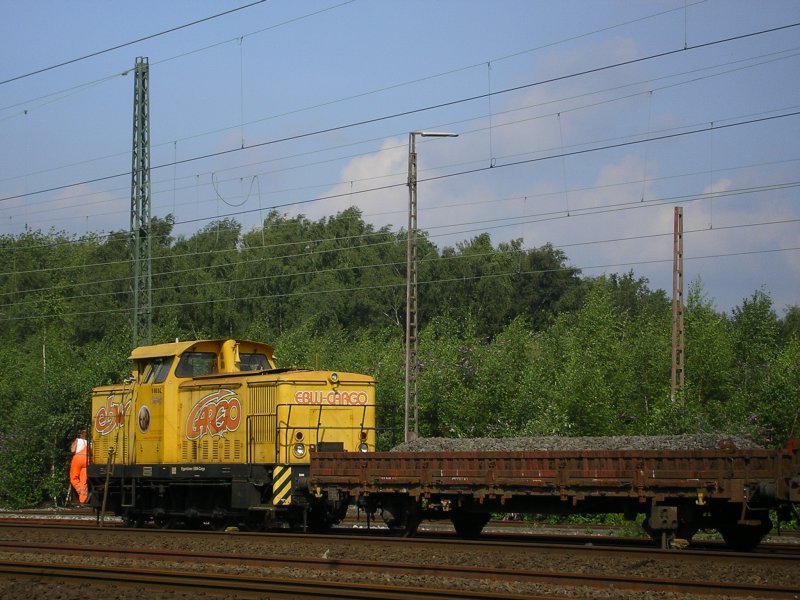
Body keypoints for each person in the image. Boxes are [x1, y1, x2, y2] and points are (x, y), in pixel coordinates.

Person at [69, 430, 89, 504]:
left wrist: (73, 443)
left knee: (73, 478)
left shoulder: (78, 440)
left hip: (78, 459)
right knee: (83, 481)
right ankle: (83, 500)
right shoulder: (90, 443)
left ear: (81, 435)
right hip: (87, 461)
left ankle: (79, 491)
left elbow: (72, 450)